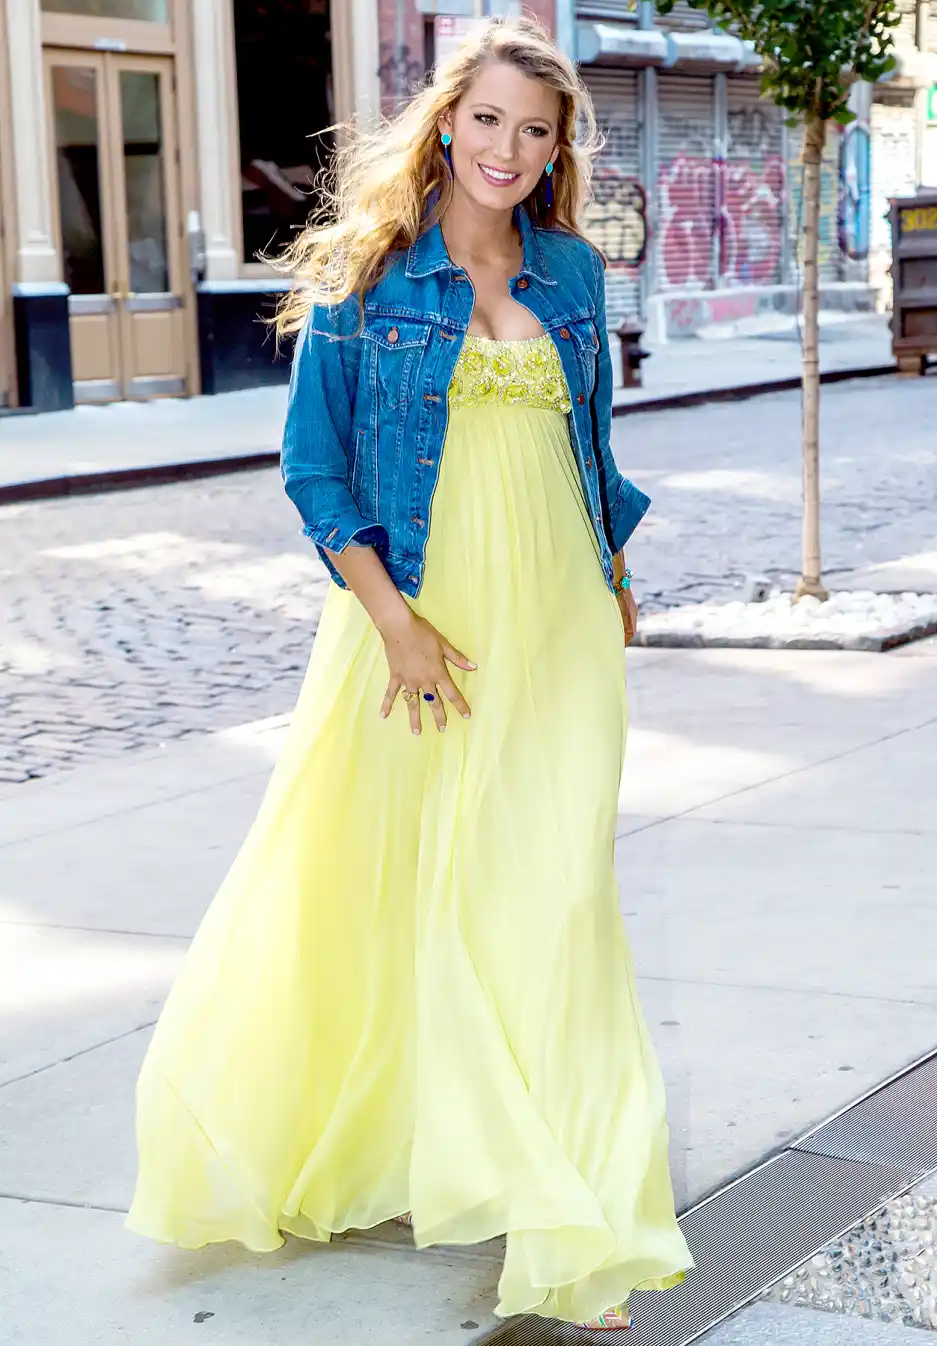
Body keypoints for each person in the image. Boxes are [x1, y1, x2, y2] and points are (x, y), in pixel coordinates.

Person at [125, 15, 693, 1331]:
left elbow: (589, 441)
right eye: (487, 118)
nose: (508, 147)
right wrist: (394, 623)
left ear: (557, 150)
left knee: (555, 893)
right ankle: (412, 1136)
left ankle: (575, 1208)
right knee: (384, 887)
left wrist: (612, 567)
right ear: (446, 122)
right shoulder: (366, 270)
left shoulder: (569, 269)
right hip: (417, 622)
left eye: (535, 130)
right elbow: (313, 467)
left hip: (557, 618)